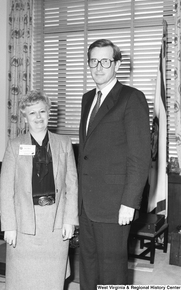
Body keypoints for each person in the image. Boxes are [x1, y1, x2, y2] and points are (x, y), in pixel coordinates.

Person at [78, 39, 151, 288]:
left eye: (105, 61)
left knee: (111, 271)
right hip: (87, 202)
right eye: (93, 61)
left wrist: (129, 202)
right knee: (87, 265)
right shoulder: (87, 98)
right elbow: (87, 152)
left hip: (115, 203)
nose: (98, 67)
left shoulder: (132, 98)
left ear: (117, 64)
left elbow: (139, 156)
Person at [0, 91, 78, 290]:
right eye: (32, 113)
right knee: (23, 277)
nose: (38, 117)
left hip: (56, 219)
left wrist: (70, 220)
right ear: (25, 117)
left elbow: (72, 186)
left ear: (49, 113)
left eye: (42, 111)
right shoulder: (14, 146)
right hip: (24, 218)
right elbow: (6, 188)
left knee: (52, 277)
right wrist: (9, 225)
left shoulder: (64, 143)